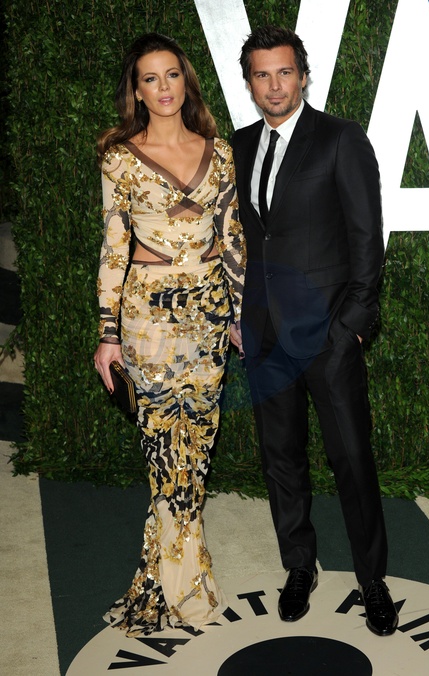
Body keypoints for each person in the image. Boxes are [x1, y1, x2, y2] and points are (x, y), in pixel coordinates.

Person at [231, 25, 398, 636]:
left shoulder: (341, 139)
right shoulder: (240, 145)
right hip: (264, 336)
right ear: (249, 83)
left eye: (284, 72)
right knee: (281, 459)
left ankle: (373, 580)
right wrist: (240, 318)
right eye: (262, 75)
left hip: (328, 337)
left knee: (351, 459)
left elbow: (366, 239)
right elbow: (243, 241)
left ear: (303, 75)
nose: (274, 85)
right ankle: (299, 566)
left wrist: (351, 327)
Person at [93, 32, 245, 636]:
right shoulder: (119, 158)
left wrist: (239, 315)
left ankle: (171, 576)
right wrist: (108, 334)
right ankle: (181, 586)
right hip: (147, 321)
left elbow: (232, 239)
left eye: (172, 75)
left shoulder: (220, 152)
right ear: (136, 91)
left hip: (208, 317)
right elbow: (114, 248)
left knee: (197, 447)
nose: (163, 88)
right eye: (149, 79)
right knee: (164, 450)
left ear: (186, 81)